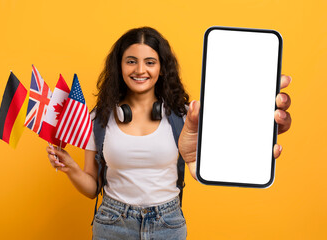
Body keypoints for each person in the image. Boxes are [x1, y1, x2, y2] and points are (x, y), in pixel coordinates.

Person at [46, 27, 292, 240]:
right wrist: (71, 168)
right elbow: (92, 189)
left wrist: (258, 122)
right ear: (119, 66)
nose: (140, 69)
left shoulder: (185, 116)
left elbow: (217, 155)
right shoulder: (98, 119)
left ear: (162, 68)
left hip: (168, 223)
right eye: (131, 61)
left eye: (150, 62)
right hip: (112, 223)